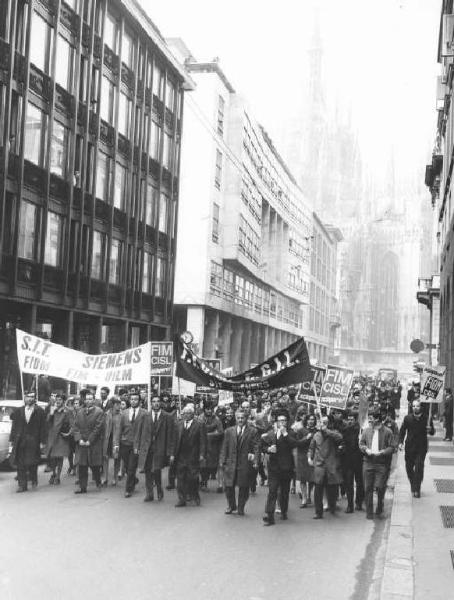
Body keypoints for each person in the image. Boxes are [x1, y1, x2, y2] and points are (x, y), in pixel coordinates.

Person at [261, 411, 302, 526]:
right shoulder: (271, 433)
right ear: (276, 422)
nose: (282, 423)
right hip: (274, 468)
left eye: (284, 420)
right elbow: (262, 445)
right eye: (280, 421)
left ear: (287, 422)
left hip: (286, 468)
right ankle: (269, 515)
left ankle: (284, 511)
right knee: (272, 491)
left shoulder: (291, 433)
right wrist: (268, 449)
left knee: (284, 492)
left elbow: (295, 444)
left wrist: (285, 434)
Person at [219, 409, 259, 516]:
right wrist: (222, 460)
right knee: (228, 486)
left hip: (245, 463)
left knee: (244, 486)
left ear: (246, 419)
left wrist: (255, 460)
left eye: (243, 418)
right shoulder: (229, 431)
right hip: (230, 462)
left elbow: (256, 447)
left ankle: (241, 507)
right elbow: (224, 447)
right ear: (235, 419)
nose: (240, 420)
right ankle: (231, 506)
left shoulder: (253, 431)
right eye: (238, 418)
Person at [136, 395, 175, 502]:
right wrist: (137, 446)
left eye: (158, 401)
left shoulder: (167, 417)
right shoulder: (145, 416)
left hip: (160, 448)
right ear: (151, 403)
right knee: (148, 471)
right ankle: (149, 494)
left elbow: (171, 436)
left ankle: (159, 489)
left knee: (157, 470)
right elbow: (139, 432)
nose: (156, 403)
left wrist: (170, 452)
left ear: (161, 403)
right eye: (154, 401)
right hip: (147, 448)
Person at [359, 410, 395, 518]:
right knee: (368, 487)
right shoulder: (366, 431)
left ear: (377, 420)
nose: (370, 421)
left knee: (380, 486)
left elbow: (392, 447)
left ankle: (380, 504)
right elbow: (361, 443)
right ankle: (369, 512)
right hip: (368, 462)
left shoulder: (388, 432)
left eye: (371, 419)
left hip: (381, 463)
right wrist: (365, 449)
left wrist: (383, 452)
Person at [9, 392, 46, 492]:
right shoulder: (19, 411)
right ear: (24, 398)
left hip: (34, 441)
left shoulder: (40, 411)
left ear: (35, 399)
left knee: (32, 462)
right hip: (21, 440)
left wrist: (42, 441)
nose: (30, 399)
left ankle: (34, 479)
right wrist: (12, 439)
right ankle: (22, 485)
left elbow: (43, 427)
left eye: (32, 397)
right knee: (20, 463)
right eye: (28, 397)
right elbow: (14, 426)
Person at [308, 415, 343, 520]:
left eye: (325, 422)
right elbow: (311, 448)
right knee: (318, 489)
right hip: (319, 465)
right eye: (321, 422)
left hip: (331, 465)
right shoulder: (316, 435)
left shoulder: (333, 433)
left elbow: (340, 438)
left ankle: (332, 506)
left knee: (332, 489)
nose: (323, 424)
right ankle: (318, 512)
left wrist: (326, 430)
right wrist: (309, 457)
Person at [171, 404, 206, 507]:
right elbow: (174, 440)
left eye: (189, 413)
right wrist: (172, 454)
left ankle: (195, 494)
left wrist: (202, 454)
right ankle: (181, 499)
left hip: (193, 455)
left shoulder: (199, 424)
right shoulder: (178, 424)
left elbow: (203, 441)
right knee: (180, 477)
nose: (186, 415)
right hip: (181, 455)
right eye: (185, 413)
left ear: (193, 414)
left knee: (193, 477)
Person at [399, 399, 435, 498]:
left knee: (419, 468)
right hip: (409, 447)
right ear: (412, 407)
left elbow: (432, 432)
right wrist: (400, 442)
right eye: (414, 406)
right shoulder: (407, 418)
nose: (415, 408)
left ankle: (417, 488)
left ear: (421, 407)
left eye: (417, 406)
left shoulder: (427, 418)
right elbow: (402, 431)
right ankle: (413, 483)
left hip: (421, 447)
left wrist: (430, 429)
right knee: (409, 468)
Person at [114, 393, 147, 498]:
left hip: (136, 445)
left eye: (136, 399)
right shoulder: (124, 413)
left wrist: (142, 445)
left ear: (139, 401)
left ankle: (128, 489)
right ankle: (134, 479)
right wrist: (116, 444)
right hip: (124, 443)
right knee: (128, 466)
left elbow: (145, 431)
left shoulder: (144, 413)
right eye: (132, 399)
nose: (133, 401)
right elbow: (119, 429)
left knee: (132, 467)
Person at [73, 392, 104, 494]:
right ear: (84, 400)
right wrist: (79, 439)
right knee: (82, 465)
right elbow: (76, 427)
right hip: (82, 443)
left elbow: (98, 428)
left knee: (94, 465)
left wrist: (90, 440)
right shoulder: (80, 412)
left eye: (91, 399)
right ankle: (83, 487)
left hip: (94, 443)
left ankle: (98, 482)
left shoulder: (99, 412)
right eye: (87, 399)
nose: (88, 401)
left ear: (94, 400)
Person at [341, 411, 364, 513]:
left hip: (359, 460)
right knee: (348, 483)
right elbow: (342, 441)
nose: (350, 421)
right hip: (348, 460)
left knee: (360, 482)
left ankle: (358, 502)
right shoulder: (345, 430)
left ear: (356, 420)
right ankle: (350, 505)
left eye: (352, 420)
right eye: (348, 419)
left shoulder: (361, 430)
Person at [46, 393, 71, 485]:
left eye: (60, 400)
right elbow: (47, 422)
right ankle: (53, 473)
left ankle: (58, 476)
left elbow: (71, 424)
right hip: (52, 436)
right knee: (52, 457)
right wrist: (51, 413)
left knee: (59, 457)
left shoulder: (67, 411)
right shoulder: (53, 410)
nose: (58, 401)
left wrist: (68, 433)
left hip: (61, 436)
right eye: (57, 400)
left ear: (63, 401)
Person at [292, 411, 316, 508]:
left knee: (311, 478)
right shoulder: (301, 430)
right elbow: (297, 443)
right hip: (302, 456)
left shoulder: (317, 430)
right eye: (309, 419)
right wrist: (306, 438)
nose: (311, 421)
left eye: (313, 420)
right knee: (302, 478)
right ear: (306, 420)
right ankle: (304, 499)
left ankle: (309, 495)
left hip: (313, 456)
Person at [198, 402, 224, 492]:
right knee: (202, 465)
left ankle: (207, 482)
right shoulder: (200, 418)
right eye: (207, 409)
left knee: (211, 465)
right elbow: (197, 431)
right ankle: (203, 483)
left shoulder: (216, 419)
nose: (209, 411)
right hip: (202, 445)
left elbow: (220, 431)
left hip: (213, 446)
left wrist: (208, 434)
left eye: (210, 409)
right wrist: (213, 433)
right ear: (204, 409)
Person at [102, 396, 122, 486]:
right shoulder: (106, 414)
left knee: (116, 459)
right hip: (107, 439)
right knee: (105, 458)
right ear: (113, 405)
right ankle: (105, 478)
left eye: (120, 404)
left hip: (117, 441)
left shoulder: (122, 415)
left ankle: (115, 478)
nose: (119, 406)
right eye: (117, 404)